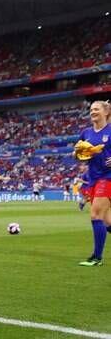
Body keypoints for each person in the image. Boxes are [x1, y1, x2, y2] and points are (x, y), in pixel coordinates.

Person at [75, 101, 111, 266]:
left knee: (95, 214)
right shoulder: (86, 132)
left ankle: (97, 258)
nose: (92, 112)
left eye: (96, 109)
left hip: (108, 177)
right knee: (106, 220)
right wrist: (80, 152)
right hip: (93, 178)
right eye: (91, 110)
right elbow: (77, 154)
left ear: (106, 112)